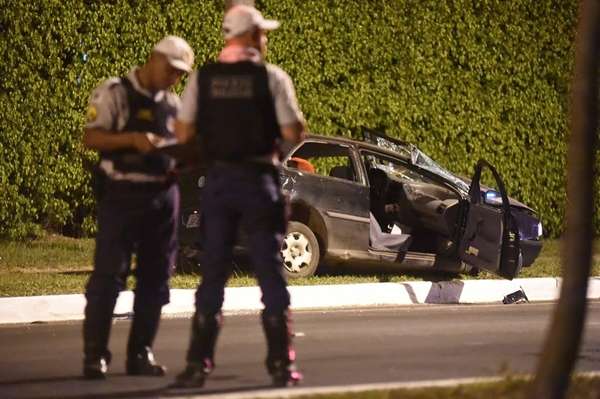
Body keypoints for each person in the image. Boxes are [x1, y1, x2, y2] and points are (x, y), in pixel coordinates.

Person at [172, 5, 307, 388]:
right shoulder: (272, 78)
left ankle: (198, 364)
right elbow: (294, 129)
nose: (265, 39)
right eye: (262, 33)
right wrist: (275, 153)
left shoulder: (203, 78)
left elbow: (182, 134)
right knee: (270, 273)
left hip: (218, 183)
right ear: (249, 36)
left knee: (212, 273)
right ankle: (282, 363)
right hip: (259, 180)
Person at [81, 35, 194, 379]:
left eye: (180, 74)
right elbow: (91, 137)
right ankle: (95, 355)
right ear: (152, 59)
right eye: (171, 69)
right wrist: (131, 140)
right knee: (108, 276)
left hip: (163, 199)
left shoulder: (174, 105)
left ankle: (140, 353)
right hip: (122, 195)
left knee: (156, 279)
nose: (174, 78)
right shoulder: (114, 92)